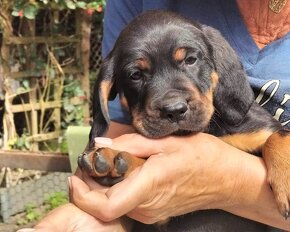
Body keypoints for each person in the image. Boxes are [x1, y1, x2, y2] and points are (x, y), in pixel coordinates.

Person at [17, 0, 290, 231]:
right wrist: (97, 215)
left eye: (190, 60)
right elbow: (113, 151)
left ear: (219, 66)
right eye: (136, 75)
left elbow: (277, 137)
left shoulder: (243, 123)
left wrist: (227, 182)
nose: (171, 103)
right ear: (109, 90)